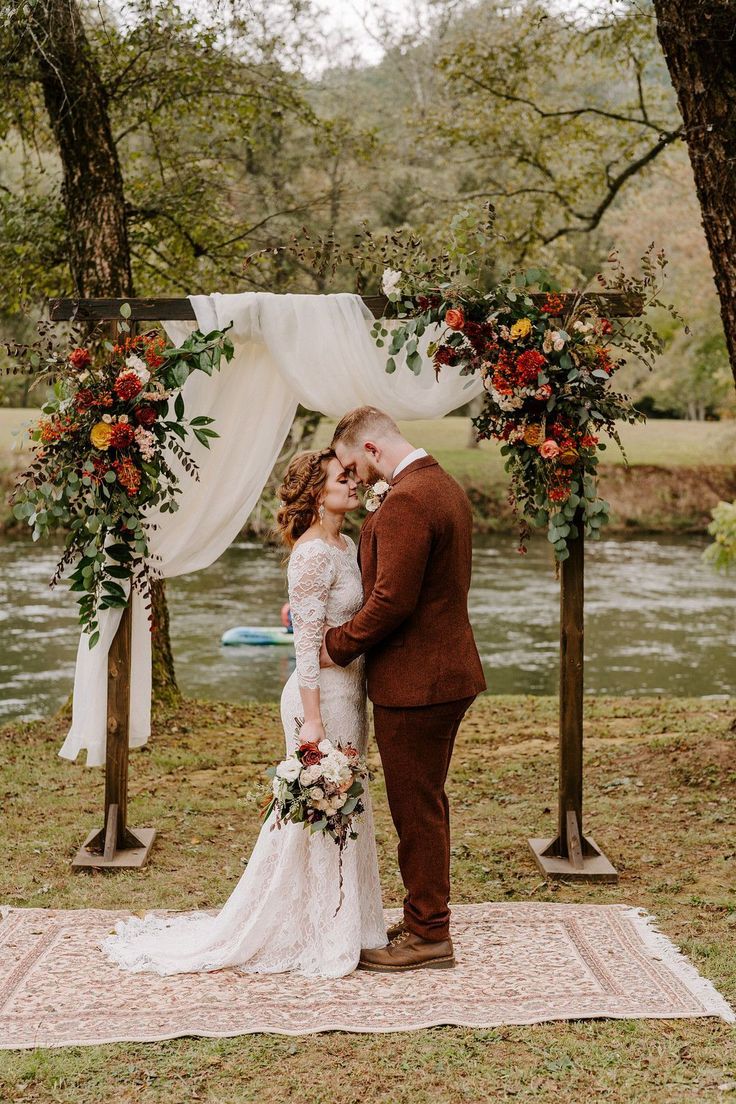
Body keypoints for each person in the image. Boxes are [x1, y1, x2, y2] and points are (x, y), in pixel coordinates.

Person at [100, 448, 386, 979]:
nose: (353, 483)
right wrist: (313, 721)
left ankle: (352, 920)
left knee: (347, 808)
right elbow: (305, 646)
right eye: (341, 478)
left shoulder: (346, 544)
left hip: (352, 694)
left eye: (352, 476)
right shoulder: (310, 556)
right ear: (315, 494)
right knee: (320, 812)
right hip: (319, 699)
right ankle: (323, 931)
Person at [322, 406, 486, 972]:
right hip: (445, 671)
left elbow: (393, 600)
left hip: (419, 681)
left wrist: (336, 645)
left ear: (370, 448)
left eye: (351, 464)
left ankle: (429, 937)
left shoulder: (408, 502)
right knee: (426, 801)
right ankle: (424, 916)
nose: (352, 478)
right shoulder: (442, 485)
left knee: (415, 808)